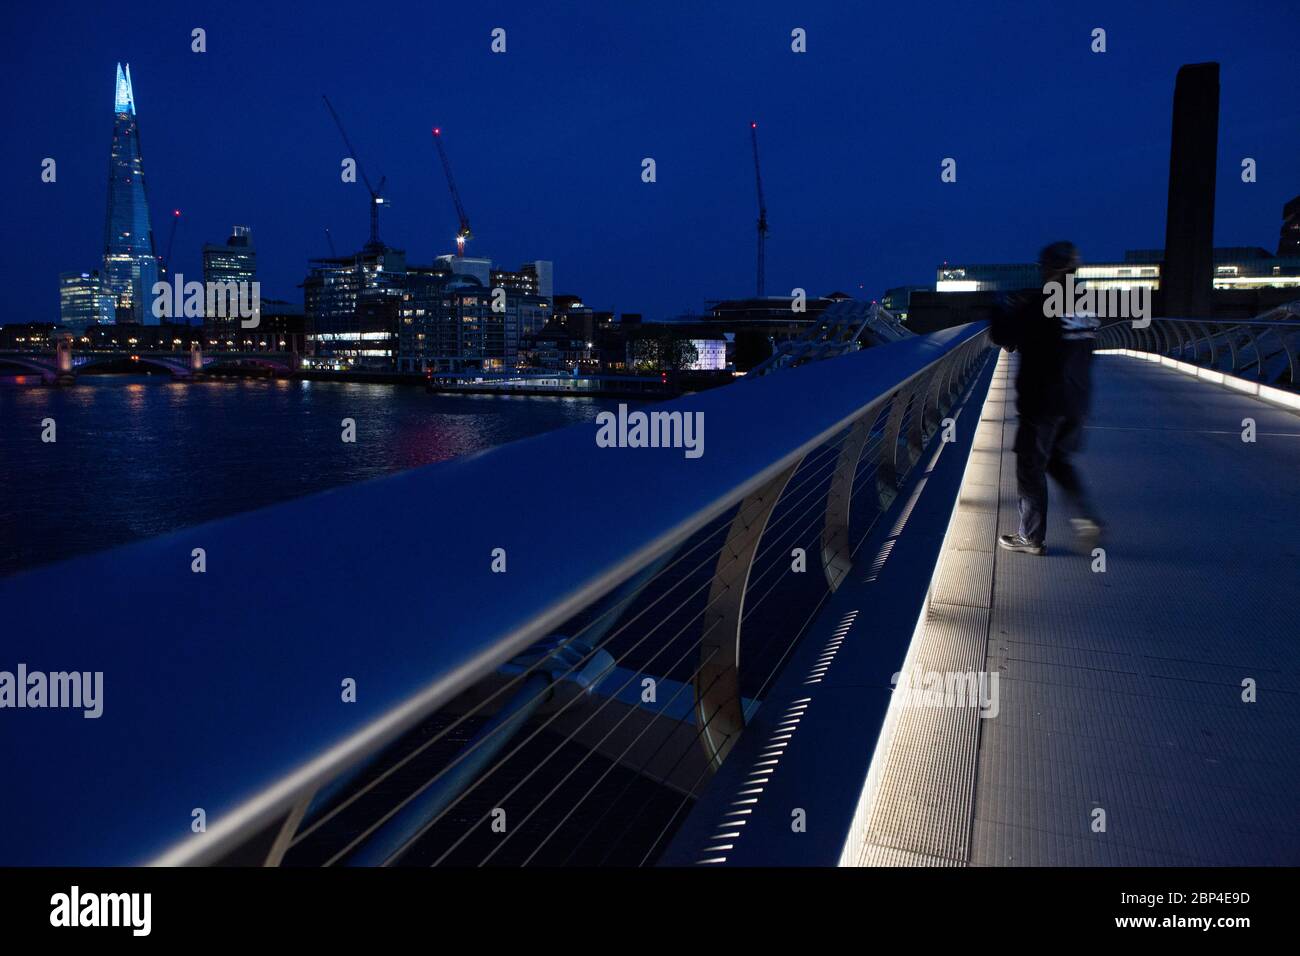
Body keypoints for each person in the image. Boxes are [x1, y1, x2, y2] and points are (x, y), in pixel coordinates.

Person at [989, 241, 1102, 556]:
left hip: (1043, 401)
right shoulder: (1087, 304)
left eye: (1043, 266)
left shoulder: (1038, 305)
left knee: (1030, 465)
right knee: (1057, 459)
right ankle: (1085, 516)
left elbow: (1004, 337)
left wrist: (1000, 306)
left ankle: (1031, 537)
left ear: (1052, 268)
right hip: (1078, 400)